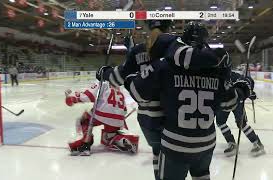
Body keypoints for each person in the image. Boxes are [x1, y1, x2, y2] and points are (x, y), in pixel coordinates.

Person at [122, 22, 253, 180]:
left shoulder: (165, 65)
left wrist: (129, 77)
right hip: (206, 145)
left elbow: (138, 92)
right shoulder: (215, 71)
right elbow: (230, 103)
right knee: (202, 176)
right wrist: (242, 88)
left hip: (175, 144)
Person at [99, 20, 176, 179]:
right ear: (169, 28)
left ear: (148, 29)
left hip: (149, 119)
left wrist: (104, 72)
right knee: (175, 159)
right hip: (174, 117)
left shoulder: (138, 50)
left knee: (157, 153)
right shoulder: (177, 48)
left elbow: (118, 77)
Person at [65, 80, 139, 156]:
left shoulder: (102, 82)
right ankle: (120, 140)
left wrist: (71, 97)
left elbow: (88, 96)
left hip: (102, 114)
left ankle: (85, 144)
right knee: (109, 136)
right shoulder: (119, 89)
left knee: (83, 120)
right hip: (118, 118)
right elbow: (124, 110)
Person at [216, 71, 265, 157]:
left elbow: (248, 81)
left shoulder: (232, 75)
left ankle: (257, 143)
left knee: (241, 123)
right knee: (220, 122)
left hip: (237, 100)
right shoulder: (215, 77)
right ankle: (232, 143)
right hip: (223, 102)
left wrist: (248, 92)